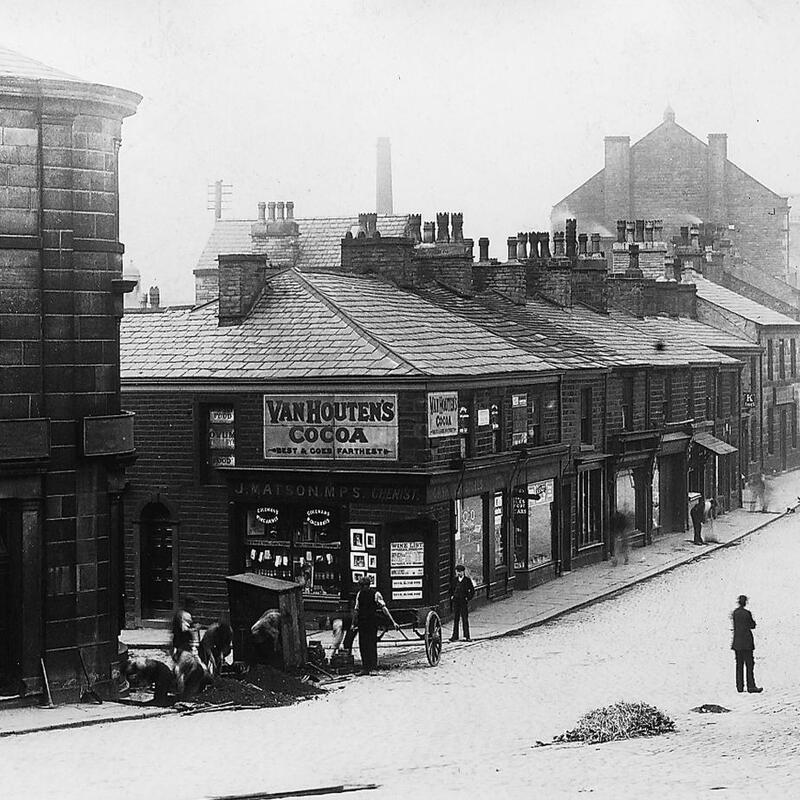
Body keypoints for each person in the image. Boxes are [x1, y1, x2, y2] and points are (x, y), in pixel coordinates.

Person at [352, 576, 398, 675]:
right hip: (362, 622)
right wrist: (353, 623)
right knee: (362, 645)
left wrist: (393, 621)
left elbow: (384, 608)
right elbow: (356, 610)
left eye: (362, 586)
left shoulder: (376, 594)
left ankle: (373, 668)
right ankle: (365, 668)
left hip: (371, 622)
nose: (360, 588)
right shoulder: (359, 594)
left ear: (367, 586)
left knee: (371, 644)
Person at [731, 594, 763, 693]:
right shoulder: (747, 613)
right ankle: (751, 686)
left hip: (737, 642)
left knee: (739, 665)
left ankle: (739, 687)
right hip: (747, 643)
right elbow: (752, 625)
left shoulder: (735, 613)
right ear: (745, 602)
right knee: (749, 665)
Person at [450, 564, 475, 641]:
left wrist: (468, 598)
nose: (459, 573)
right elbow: (450, 589)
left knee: (465, 619)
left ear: (463, 572)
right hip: (456, 601)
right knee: (456, 619)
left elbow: (472, 590)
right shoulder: (454, 580)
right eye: (457, 572)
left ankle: (467, 636)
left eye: (460, 572)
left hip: (463, 601)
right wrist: (452, 596)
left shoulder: (467, 580)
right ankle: (455, 636)